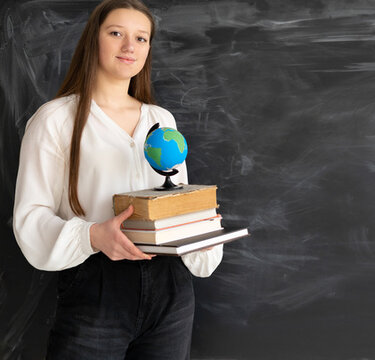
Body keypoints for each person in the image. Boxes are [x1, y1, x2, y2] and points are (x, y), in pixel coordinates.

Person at [12, 0, 223, 358]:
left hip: (171, 288)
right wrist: (92, 234)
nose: (130, 46)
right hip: (97, 287)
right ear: (93, 41)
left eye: (141, 38)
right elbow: (30, 217)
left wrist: (199, 229)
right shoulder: (55, 120)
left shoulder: (161, 120)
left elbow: (176, 199)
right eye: (116, 33)